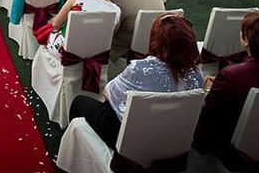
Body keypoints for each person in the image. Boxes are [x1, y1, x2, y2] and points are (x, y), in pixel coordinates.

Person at [69, 13, 203, 149]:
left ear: (156, 40)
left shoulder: (139, 68)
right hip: (170, 141)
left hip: (130, 142)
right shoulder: (196, 74)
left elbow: (108, 93)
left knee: (79, 102)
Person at [194, 12, 259, 166]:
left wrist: (210, 93)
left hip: (233, 151)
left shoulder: (232, 75)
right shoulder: (232, 75)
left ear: (246, 40)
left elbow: (209, 120)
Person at [45, 0, 121, 59]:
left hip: (65, 52)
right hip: (95, 55)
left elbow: (56, 24)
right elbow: (111, 35)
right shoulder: (116, 11)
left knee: (49, 32)